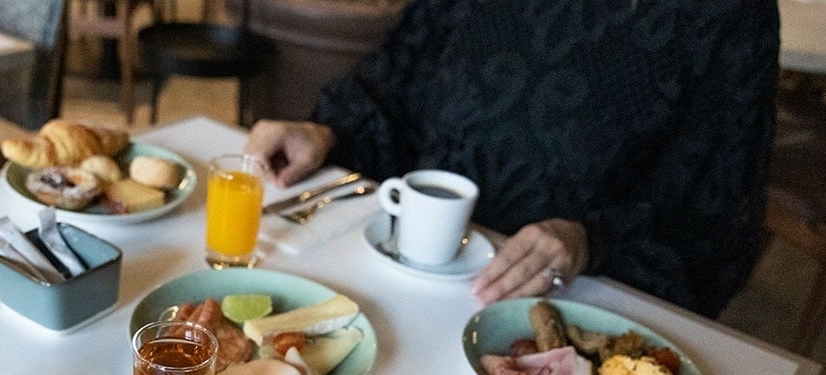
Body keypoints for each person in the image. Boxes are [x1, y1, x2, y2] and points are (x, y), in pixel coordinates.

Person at [244, 0, 780, 318]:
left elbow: (712, 218)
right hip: (406, 277)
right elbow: (396, 90)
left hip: (560, 309)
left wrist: (589, 242)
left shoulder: (727, 11)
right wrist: (327, 133)